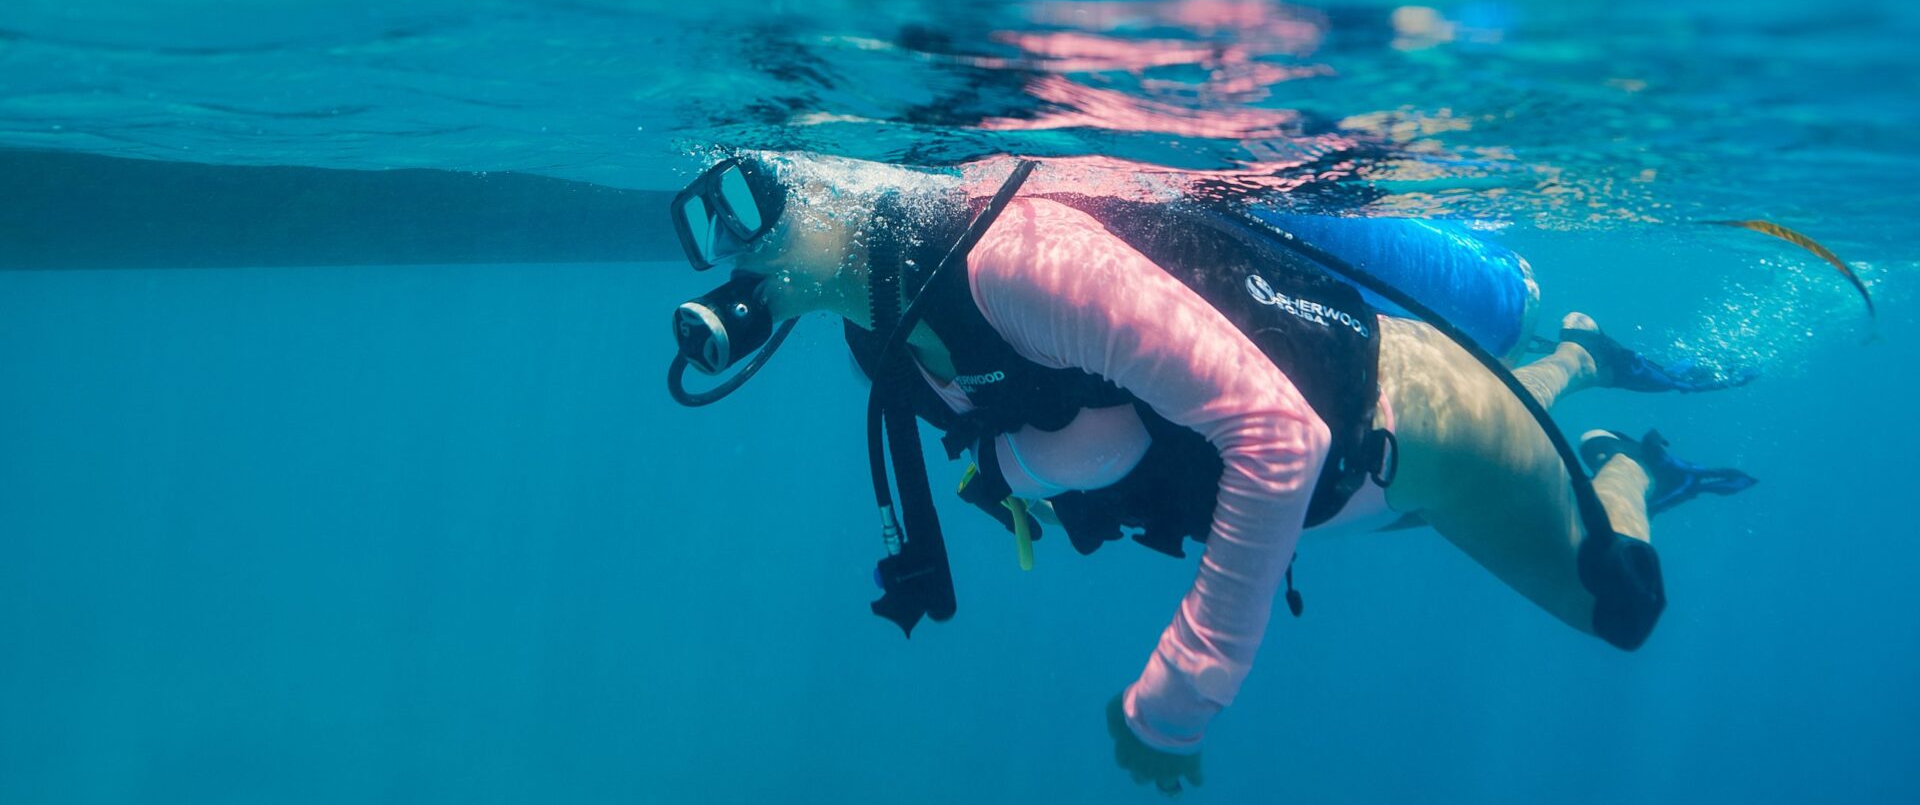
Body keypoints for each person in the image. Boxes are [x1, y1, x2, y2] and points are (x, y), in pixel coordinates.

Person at [663, 154, 1757, 794]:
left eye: (753, 193)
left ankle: (1614, 456)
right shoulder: (884, 317)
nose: (736, 245)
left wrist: (1179, 699)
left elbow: (1276, 436)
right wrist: (1007, 463)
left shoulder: (1006, 256)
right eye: (712, 223)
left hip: (1406, 434)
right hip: (1355, 475)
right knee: (1495, 453)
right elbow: (1099, 429)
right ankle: (1572, 356)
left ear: (825, 179)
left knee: (1620, 602)